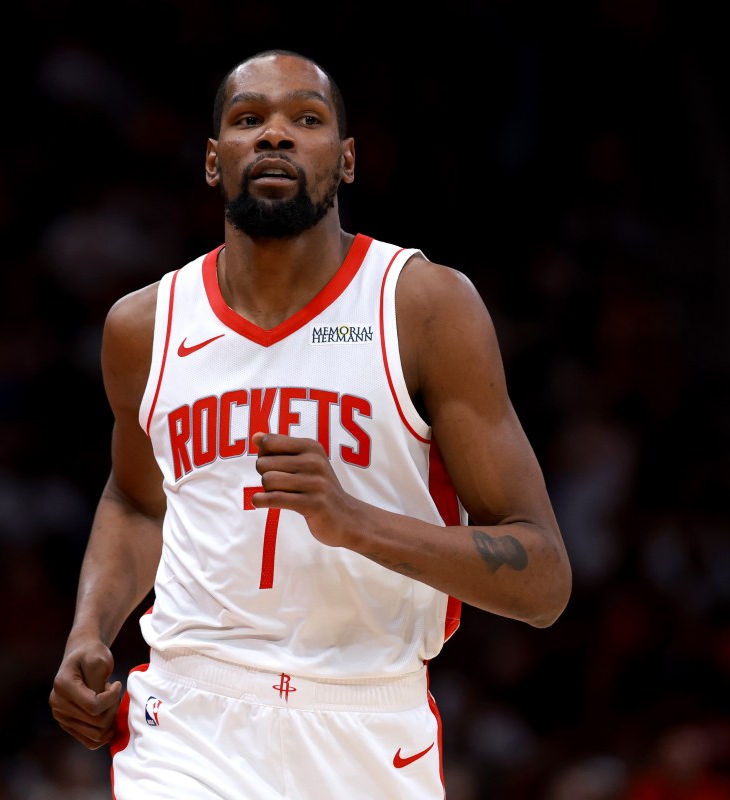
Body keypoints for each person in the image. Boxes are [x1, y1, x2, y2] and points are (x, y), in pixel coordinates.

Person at [48, 48, 572, 799]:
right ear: (212, 159)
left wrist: (355, 522)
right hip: (189, 717)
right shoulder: (144, 325)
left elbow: (544, 580)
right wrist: (89, 629)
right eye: (248, 119)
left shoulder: (422, 307)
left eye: (306, 118)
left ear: (347, 159)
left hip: (367, 720)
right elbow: (136, 501)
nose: (275, 134)